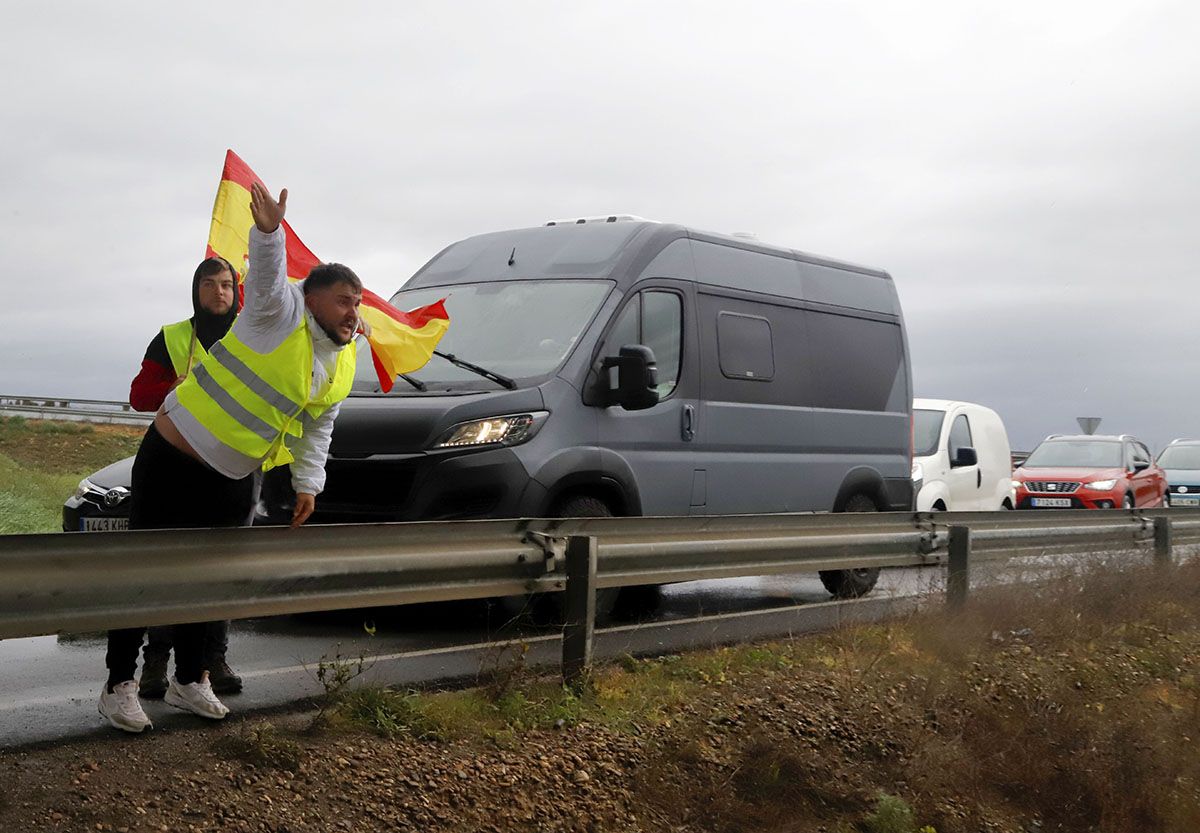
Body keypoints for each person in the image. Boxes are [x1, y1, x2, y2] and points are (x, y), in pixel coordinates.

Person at [99, 182, 362, 732]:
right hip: (173, 457)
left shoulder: (341, 362)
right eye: (344, 301)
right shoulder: (276, 311)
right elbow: (266, 274)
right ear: (311, 298)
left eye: (357, 304)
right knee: (145, 575)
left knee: (209, 581)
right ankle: (119, 685)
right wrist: (268, 232)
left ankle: (190, 680)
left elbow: (320, 427)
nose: (353, 313)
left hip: (235, 475)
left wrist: (309, 484)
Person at [125, 256, 245, 702]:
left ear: (237, 292)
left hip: (231, 469)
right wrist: (175, 385)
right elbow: (138, 396)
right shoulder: (174, 336)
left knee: (218, 569)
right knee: (164, 566)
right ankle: (156, 661)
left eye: (227, 285)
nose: (219, 292)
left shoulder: (251, 339)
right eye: (210, 284)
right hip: (174, 464)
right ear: (196, 290)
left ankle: (212, 660)